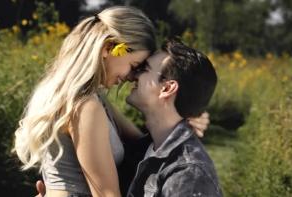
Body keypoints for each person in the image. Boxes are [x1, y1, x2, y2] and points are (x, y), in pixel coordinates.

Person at [14, 6, 209, 197]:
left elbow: (140, 143)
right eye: (134, 66)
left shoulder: (89, 98)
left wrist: (181, 124)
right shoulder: (85, 106)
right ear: (108, 48)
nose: (132, 77)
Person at [125, 38, 223, 196]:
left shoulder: (188, 174)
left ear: (167, 88)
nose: (134, 74)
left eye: (145, 69)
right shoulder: (145, 148)